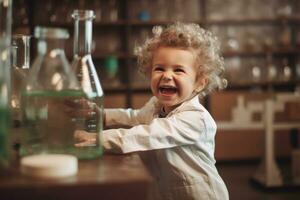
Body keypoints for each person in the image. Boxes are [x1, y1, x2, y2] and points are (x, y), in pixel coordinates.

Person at [75, 22, 229, 200]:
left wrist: (98, 139)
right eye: (159, 68)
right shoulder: (156, 104)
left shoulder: (196, 119)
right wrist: (102, 115)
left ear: (199, 82)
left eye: (178, 70)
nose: (167, 75)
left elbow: (146, 135)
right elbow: (135, 118)